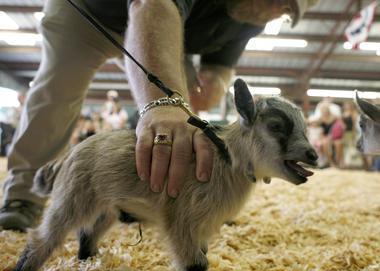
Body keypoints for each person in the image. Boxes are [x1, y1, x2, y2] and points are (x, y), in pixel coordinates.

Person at [0, 0, 318, 231]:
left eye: (288, 11)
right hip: (92, 13)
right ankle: (23, 193)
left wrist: (214, 85)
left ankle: (156, 198)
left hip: (166, 32)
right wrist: (163, 103)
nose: (280, 12)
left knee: (182, 123)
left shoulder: (250, 16)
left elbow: (219, 66)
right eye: (282, 1)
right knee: (59, 86)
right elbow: (151, 6)